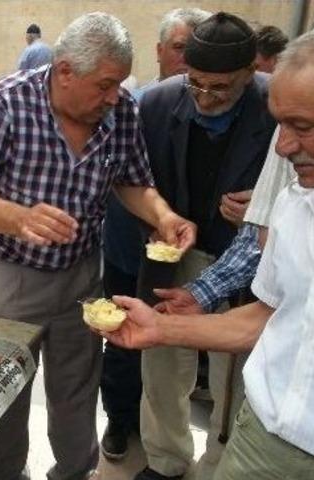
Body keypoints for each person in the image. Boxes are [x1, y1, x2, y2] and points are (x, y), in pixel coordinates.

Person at [104, 23, 314, 480]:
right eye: (279, 123)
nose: (282, 147)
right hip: (258, 446)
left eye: (302, 127)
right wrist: (161, 328)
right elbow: (268, 315)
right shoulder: (293, 203)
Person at [0, 12, 196, 480]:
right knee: (3, 393)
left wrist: (164, 216)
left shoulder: (119, 110)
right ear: (65, 71)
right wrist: (17, 217)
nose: (113, 96)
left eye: (119, 84)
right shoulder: (8, 101)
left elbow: (133, 181)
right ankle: (5, 475)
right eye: (104, 85)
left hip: (82, 275)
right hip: (10, 278)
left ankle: (73, 472)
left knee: (76, 393)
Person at [133, 12, 276, 480]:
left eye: (222, 88)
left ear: (249, 74)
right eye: (196, 84)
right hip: (172, 256)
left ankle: (220, 463)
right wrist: (157, 219)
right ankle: (165, 459)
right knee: (161, 364)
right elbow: (132, 180)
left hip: (249, 262)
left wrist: (267, 204)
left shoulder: (278, 106)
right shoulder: (155, 103)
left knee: (233, 375)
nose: (206, 98)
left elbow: (300, 185)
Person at [98, 6, 211, 462]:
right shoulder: (136, 105)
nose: (190, 62)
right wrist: (151, 221)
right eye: (183, 48)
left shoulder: (225, 106)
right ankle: (120, 422)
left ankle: (166, 434)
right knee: (122, 340)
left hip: (197, 253)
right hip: (132, 250)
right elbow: (121, 179)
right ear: (161, 50)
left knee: (177, 346)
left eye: (199, 52)